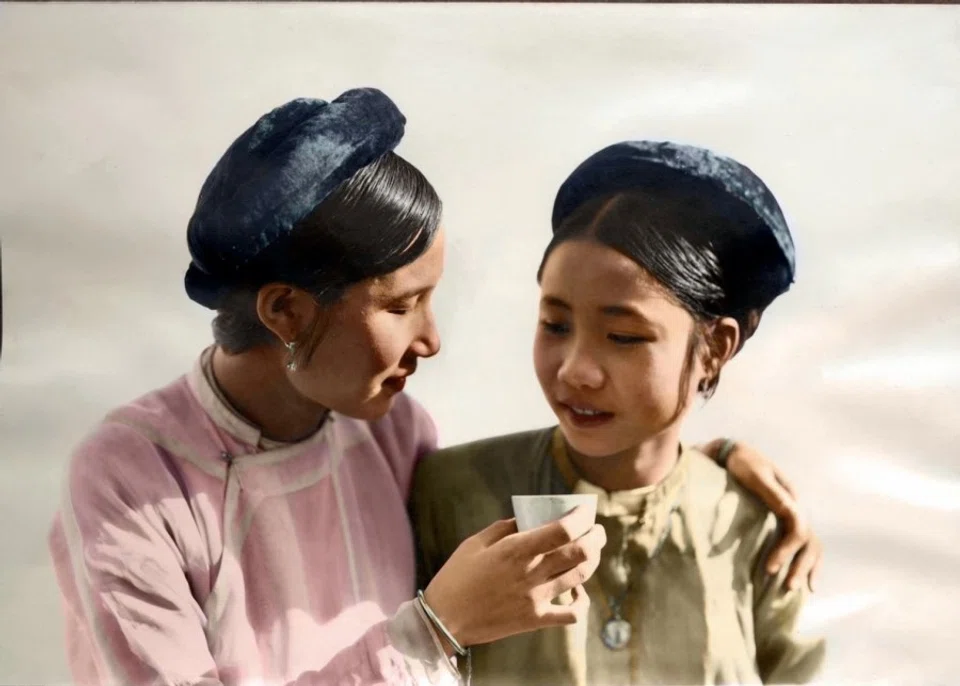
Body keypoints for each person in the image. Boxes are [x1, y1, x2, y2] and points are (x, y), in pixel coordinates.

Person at [47, 89, 817, 686]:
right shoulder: (132, 478)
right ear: (284, 310)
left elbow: (565, 474)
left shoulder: (391, 433)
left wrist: (709, 466)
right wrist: (434, 628)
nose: (432, 340)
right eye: (401, 305)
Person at [412, 141, 827, 685]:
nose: (575, 371)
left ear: (715, 349)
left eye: (624, 336)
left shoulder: (755, 525)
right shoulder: (448, 495)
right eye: (555, 325)